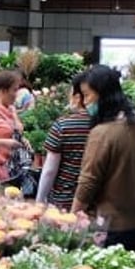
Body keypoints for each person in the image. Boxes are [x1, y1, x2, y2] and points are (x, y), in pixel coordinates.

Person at [72, 65, 135, 269]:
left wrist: (73, 217)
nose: (85, 103)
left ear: (103, 94)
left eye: (87, 95)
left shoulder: (102, 133)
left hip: (111, 228)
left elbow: (88, 182)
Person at [37, 73, 92, 211]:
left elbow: (50, 170)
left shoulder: (63, 125)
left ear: (79, 97)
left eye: (71, 93)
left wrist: (39, 200)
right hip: (92, 202)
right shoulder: (103, 125)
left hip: (63, 201)